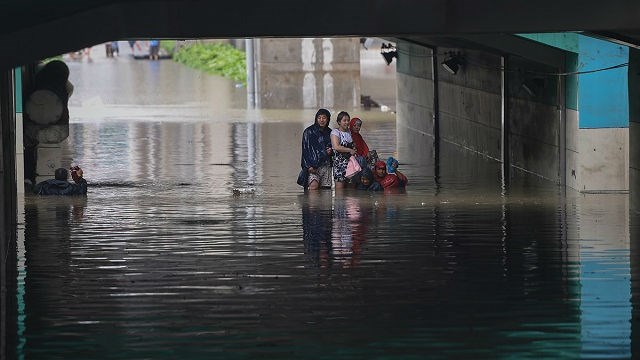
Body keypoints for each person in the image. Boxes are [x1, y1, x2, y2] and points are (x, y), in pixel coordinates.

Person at [300, 108, 334, 190]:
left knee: (326, 190)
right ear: (316, 119)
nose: (321, 120)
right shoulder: (308, 131)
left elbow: (334, 147)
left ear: (328, 119)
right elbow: (305, 150)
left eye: (324, 118)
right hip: (313, 165)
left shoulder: (330, 132)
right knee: (313, 188)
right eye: (319, 118)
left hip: (326, 165)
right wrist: (308, 166)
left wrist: (331, 151)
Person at [331, 111, 357, 189]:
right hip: (339, 165)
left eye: (348, 120)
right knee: (340, 191)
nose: (347, 122)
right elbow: (336, 147)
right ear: (339, 122)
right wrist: (349, 150)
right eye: (344, 120)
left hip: (350, 165)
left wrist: (353, 148)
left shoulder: (349, 132)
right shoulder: (335, 132)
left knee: (350, 190)